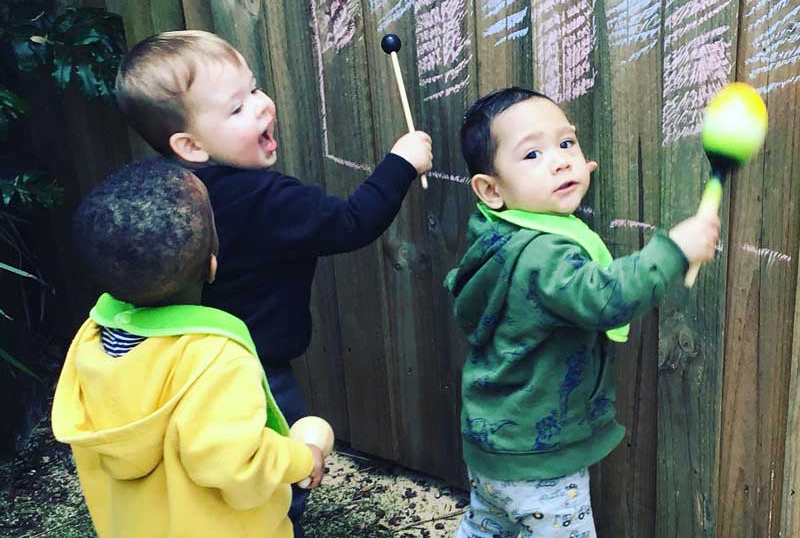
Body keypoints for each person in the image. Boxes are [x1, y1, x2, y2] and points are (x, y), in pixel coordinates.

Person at [114, 30, 433, 536]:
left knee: (210, 461)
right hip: (254, 365)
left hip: (179, 357)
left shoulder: (165, 194)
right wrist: (402, 164)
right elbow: (351, 223)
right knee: (282, 472)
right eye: (238, 108)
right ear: (190, 143)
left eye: (256, 89)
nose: (262, 107)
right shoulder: (265, 199)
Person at [444, 87, 720, 537]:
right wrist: (673, 252)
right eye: (532, 153)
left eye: (567, 144)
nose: (560, 160)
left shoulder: (498, 241)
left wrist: (553, 172)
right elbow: (603, 297)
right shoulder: (541, 256)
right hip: (540, 460)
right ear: (491, 189)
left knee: (487, 525)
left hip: (493, 447)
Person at [52, 158, 324, 538]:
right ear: (213, 265)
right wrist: (300, 457)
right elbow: (234, 464)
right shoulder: (214, 360)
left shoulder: (91, 341)